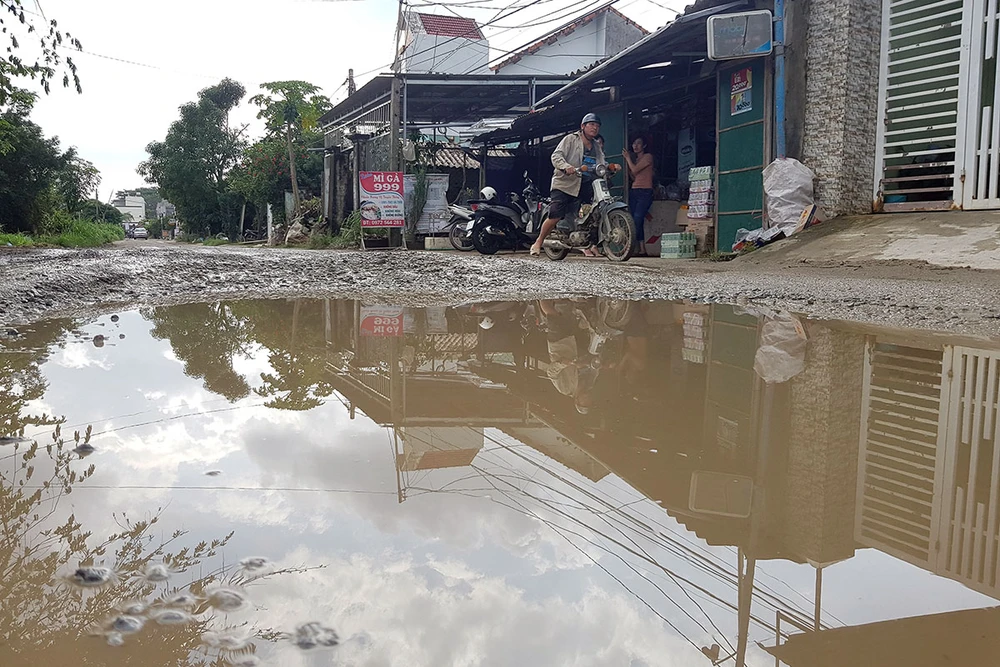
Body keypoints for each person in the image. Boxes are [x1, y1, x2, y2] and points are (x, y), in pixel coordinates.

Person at [529, 113, 606, 257]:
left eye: (597, 125)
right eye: (591, 124)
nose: (595, 128)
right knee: (555, 215)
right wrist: (566, 166)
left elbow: (601, 162)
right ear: (582, 126)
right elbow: (556, 156)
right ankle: (538, 242)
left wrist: (609, 167)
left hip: (585, 183)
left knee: (593, 211)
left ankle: (588, 240)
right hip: (565, 183)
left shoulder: (596, 146)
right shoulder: (571, 139)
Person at [623, 136, 654, 256]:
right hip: (634, 191)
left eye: (639, 143)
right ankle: (642, 249)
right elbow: (634, 176)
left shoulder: (648, 157)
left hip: (645, 192)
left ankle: (629, 246)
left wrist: (627, 158)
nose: (635, 146)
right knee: (636, 220)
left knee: (637, 219)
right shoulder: (635, 160)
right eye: (634, 144)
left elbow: (635, 170)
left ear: (644, 146)